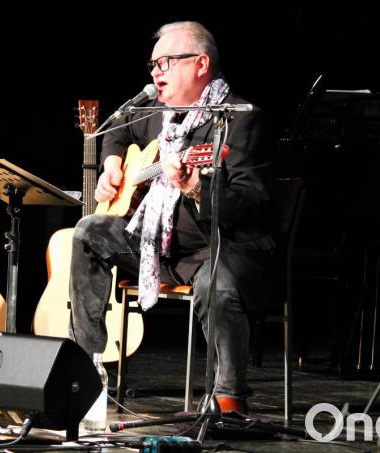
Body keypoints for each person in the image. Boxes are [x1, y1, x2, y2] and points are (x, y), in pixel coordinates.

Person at [68, 21, 275, 415]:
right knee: (88, 231)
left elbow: (252, 205)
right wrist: (113, 164)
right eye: (152, 66)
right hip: (157, 246)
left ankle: (230, 398)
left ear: (200, 64)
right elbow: (115, 129)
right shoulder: (156, 112)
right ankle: (85, 368)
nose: (156, 72)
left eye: (165, 62)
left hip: (216, 249)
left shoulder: (241, 120)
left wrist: (196, 188)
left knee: (218, 279)